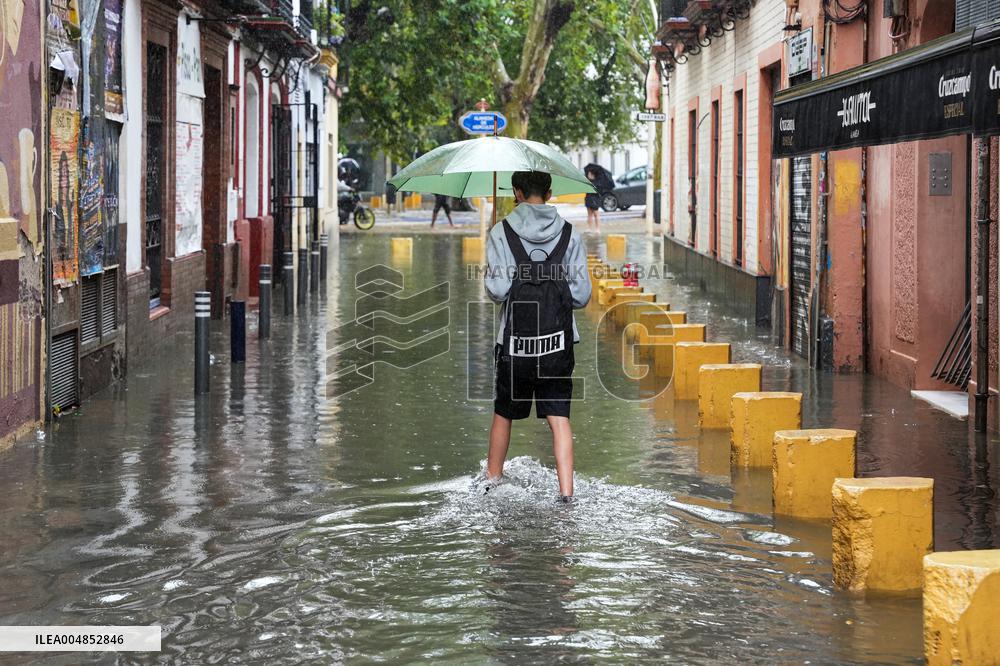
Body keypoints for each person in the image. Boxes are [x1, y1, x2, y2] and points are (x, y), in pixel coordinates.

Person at [479, 170, 592, 502]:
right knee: (559, 417)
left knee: (504, 413)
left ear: (516, 192)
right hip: (558, 344)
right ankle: (567, 495)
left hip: (515, 345)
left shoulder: (501, 232)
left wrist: (490, 271)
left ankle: (491, 483)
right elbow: (581, 296)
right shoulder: (570, 233)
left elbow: (498, 291)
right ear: (549, 193)